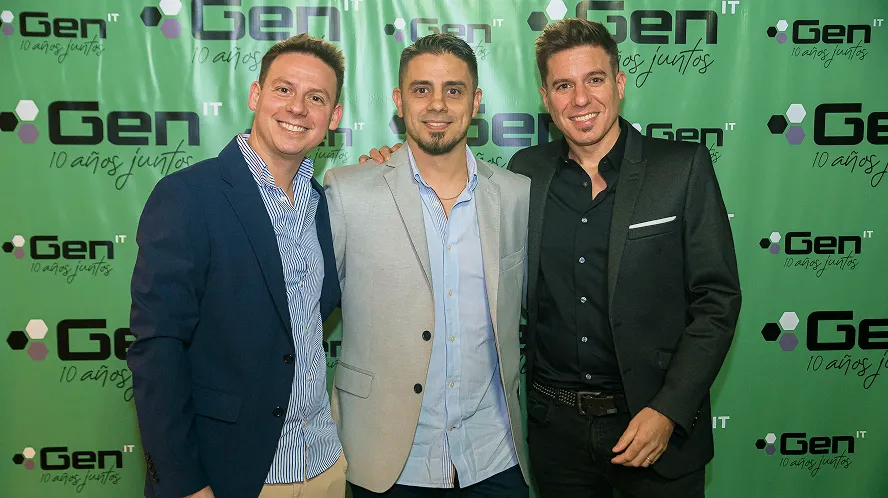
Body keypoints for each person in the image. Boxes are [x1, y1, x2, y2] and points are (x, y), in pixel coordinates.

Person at [361, 19, 741, 498]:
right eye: (564, 85)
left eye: (594, 80)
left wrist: (668, 410)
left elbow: (718, 301)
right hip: (554, 436)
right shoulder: (524, 176)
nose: (580, 100)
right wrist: (391, 165)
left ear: (619, 84)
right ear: (546, 97)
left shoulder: (680, 168)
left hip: (653, 433)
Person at [128, 34, 346, 498]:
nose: (297, 108)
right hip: (232, 474)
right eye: (284, 90)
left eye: (317, 98)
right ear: (256, 95)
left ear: (333, 117)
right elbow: (158, 347)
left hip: (325, 464)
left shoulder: (325, 206)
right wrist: (184, 483)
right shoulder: (189, 196)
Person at [324, 34, 531, 497]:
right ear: (399, 101)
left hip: (494, 459)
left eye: (453, 90)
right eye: (421, 89)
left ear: (475, 101)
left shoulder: (517, 195)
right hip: (386, 465)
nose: (437, 104)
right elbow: (304, 313)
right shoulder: (348, 191)